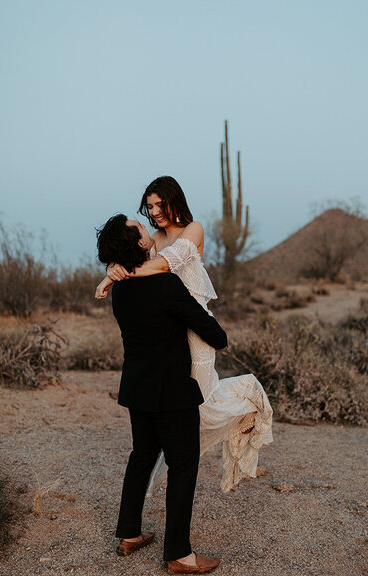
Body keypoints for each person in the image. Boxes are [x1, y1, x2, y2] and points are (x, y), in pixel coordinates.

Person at [96, 176, 273, 494]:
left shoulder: (194, 230)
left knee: (201, 398)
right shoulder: (152, 239)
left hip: (196, 328)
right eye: (149, 207)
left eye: (160, 204)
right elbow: (128, 253)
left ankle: (243, 410)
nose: (155, 212)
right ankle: (223, 424)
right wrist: (112, 266)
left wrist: (115, 276)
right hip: (169, 332)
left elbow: (164, 266)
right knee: (183, 409)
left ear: (174, 200)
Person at [96, 214, 227, 574]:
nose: (148, 228)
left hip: (137, 389)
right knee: (183, 466)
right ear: (140, 244)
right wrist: (215, 334)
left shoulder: (120, 289)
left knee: (141, 457)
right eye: (141, 227)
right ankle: (179, 554)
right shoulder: (166, 286)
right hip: (172, 392)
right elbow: (212, 332)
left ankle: (129, 534)